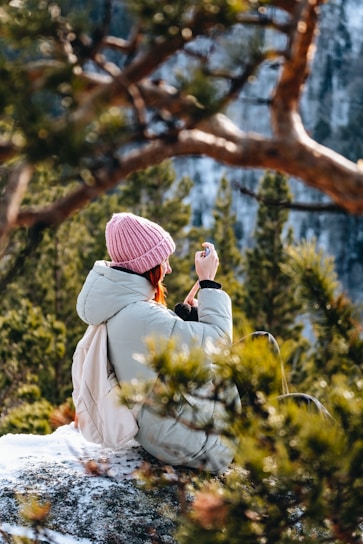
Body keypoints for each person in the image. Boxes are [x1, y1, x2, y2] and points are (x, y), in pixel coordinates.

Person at [76, 212, 241, 473]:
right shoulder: (140, 315)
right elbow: (219, 344)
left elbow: (158, 356)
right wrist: (208, 283)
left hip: (166, 427)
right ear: (148, 265)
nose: (169, 268)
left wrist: (187, 323)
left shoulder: (120, 307)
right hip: (195, 440)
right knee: (270, 357)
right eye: (164, 260)